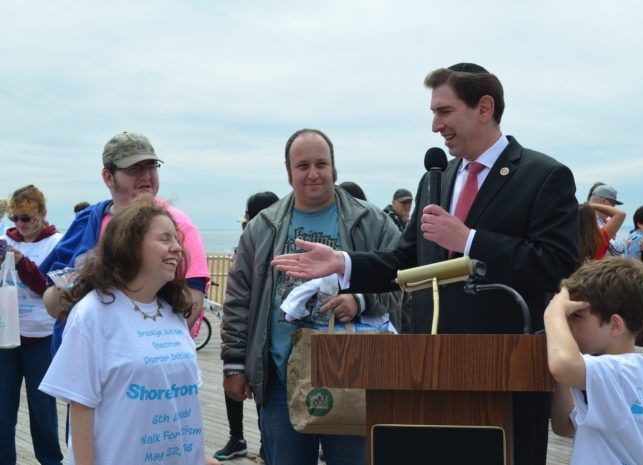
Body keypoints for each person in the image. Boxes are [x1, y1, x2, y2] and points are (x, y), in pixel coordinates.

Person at [271, 63, 579, 465]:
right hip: (431, 372)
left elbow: (556, 264)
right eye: (434, 113)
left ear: (484, 108)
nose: (436, 125)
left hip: (507, 375)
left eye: (445, 111)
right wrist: (342, 264)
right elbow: (405, 261)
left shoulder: (543, 175)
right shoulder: (437, 178)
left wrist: (469, 240)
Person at [221, 128, 402, 465]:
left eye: (322, 163)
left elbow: (407, 286)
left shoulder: (373, 222)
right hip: (280, 381)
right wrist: (234, 364)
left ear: (335, 168)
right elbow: (238, 297)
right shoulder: (264, 227)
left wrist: (360, 301)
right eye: (302, 165)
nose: (313, 173)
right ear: (288, 172)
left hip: (357, 378)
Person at [39, 199, 219, 465]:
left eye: (177, 239)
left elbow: (179, 402)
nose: (177, 248)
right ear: (131, 246)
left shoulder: (172, 312)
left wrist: (199, 456)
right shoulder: (93, 313)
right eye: (165, 238)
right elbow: (80, 405)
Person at [41, 132, 209, 353]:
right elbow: (52, 303)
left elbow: (193, 299)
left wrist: (148, 350)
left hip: (147, 357)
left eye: (151, 166)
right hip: (83, 355)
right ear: (108, 177)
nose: (146, 176)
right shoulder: (87, 221)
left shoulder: (178, 225)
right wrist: (68, 289)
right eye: (134, 168)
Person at [546, 258, 643, 465]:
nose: (567, 324)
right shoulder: (642, 369)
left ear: (615, 325)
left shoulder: (619, 372)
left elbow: (562, 365)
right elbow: (565, 426)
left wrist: (553, 313)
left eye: (576, 316)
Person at [0, 185, 63, 465]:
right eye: (14, 218)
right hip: (6, 337)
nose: (20, 225)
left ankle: (50, 460)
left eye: (26, 218)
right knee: (2, 410)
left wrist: (22, 262)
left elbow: (46, 288)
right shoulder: (4, 240)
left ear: (42, 214)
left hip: (41, 338)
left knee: (43, 411)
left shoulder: (57, 243)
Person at [214, 191, 279, 462]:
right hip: (250, 329)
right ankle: (248, 441)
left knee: (260, 389)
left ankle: (250, 440)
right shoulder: (254, 239)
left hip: (259, 331)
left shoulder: (253, 240)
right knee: (241, 383)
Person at [588, 183, 627, 256]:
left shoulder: (597, 219)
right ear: (604, 201)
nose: (613, 208)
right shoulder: (592, 220)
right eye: (613, 204)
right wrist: (627, 242)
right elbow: (615, 250)